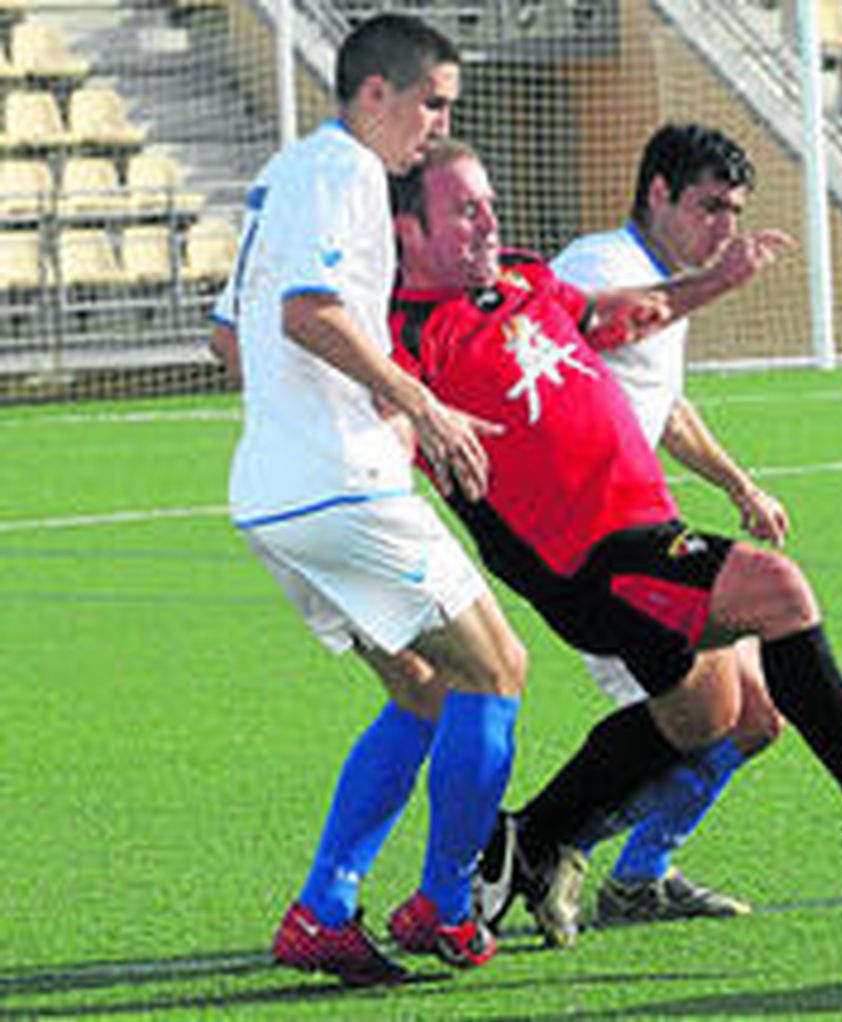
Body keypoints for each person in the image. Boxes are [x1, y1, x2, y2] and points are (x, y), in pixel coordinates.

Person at [386, 139, 842, 948]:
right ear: (406, 230)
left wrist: (714, 284)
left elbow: (607, 321)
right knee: (778, 591)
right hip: (587, 561)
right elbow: (378, 440)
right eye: (464, 211)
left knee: (711, 716)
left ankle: (533, 839)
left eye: (490, 204)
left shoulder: (524, 274)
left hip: (644, 522)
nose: (487, 224)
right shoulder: (402, 336)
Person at [207, 15, 525, 986]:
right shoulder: (345, 170)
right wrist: (414, 403)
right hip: (337, 484)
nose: (437, 124)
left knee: (423, 688)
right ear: (375, 93)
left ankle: (324, 908)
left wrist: (352, 407)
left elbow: (233, 335)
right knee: (496, 667)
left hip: (273, 494)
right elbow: (309, 313)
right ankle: (443, 902)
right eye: (431, 102)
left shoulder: (288, 174)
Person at [546, 124, 791, 928]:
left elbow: (664, 406)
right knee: (699, 722)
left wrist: (739, 485)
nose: (723, 226)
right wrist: (718, 282)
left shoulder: (664, 280)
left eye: (734, 211)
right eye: (708, 206)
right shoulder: (600, 268)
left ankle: (639, 875)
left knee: (756, 719)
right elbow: (585, 332)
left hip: (653, 529)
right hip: (597, 547)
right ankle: (546, 842)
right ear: (657, 192)